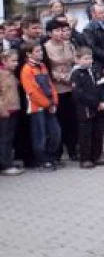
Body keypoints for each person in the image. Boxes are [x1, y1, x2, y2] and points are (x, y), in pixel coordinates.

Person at [20, 42, 61, 171]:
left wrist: (54, 101)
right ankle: (42, 160)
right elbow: (32, 91)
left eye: (41, 51)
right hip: (36, 107)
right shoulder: (26, 69)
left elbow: (50, 85)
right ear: (29, 54)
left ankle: (50, 156)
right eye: (37, 51)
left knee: (56, 133)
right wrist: (48, 103)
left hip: (49, 105)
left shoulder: (42, 66)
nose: (41, 53)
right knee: (40, 135)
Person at [43, 20, 78, 162]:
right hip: (57, 87)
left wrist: (74, 76)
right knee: (59, 121)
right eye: (56, 31)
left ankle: (72, 150)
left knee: (73, 120)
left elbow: (75, 61)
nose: (60, 33)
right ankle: (57, 153)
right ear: (50, 33)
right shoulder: (46, 47)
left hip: (72, 85)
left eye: (62, 30)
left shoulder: (69, 44)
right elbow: (46, 68)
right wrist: (62, 77)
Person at [70, 47, 104, 169]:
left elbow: (102, 86)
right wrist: (94, 102)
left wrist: (103, 100)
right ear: (77, 59)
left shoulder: (95, 70)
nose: (89, 61)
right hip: (85, 108)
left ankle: (96, 156)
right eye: (85, 58)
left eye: (90, 58)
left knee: (98, 132)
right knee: (86, 134)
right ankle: (85, 158)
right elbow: (78, 93)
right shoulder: (76, 74)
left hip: (98, 106)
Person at [0, 50, 24, 176]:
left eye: (16, 60)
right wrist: (2, 109)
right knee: (4, 138)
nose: (16, 63)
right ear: (4, 61)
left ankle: (9, 160)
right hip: (5, 111)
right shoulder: (2, 74)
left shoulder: (11, 74)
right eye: (13, 61)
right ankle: (5, 164)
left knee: (10, 138)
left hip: (14, 108)